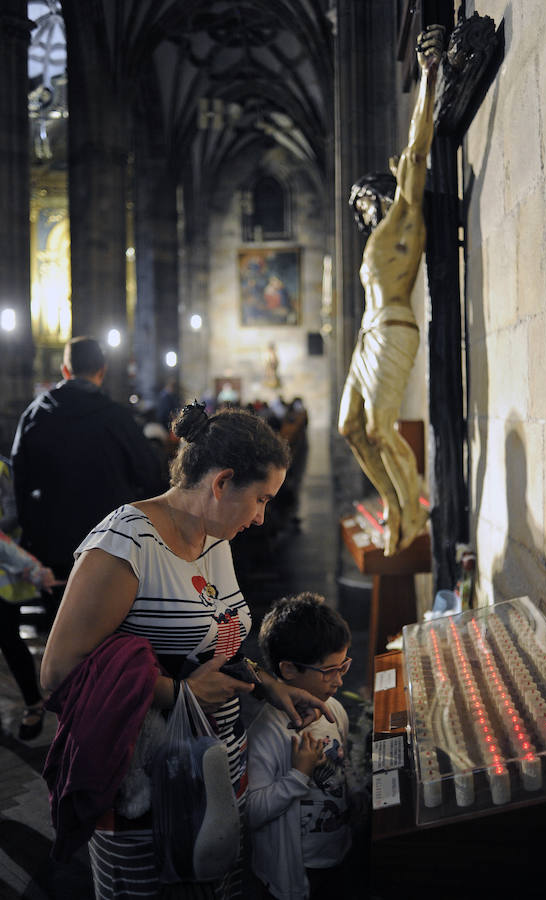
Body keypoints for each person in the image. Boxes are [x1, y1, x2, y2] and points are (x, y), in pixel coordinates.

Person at [40, 402, 333, 900]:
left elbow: (215, 638)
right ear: (221, 484)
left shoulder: (215, 536)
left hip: (218, 766)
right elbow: (58, 671)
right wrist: (176, 692)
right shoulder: (127, 541)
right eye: (260, 499)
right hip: (151, 782)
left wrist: (268, 684)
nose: (262, 518)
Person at [338, 25, 445, 557]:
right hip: (367, 334)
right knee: (351, 426)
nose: (360, 213)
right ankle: (393, 503)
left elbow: (418, 146)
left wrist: (427, 76)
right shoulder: (379, 238)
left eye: (363, 203)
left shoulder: (404, 212)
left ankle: (415, 507)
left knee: (381, 427)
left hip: (394, 327)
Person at [11, 336, 163, 597]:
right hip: (109, 545)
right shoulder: (118, 418)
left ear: (65, 370)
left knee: (57, 626)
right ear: (102, 371)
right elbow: (150, 475)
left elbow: (18, 479)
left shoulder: (35, 414)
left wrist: (30, 531)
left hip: (52, 543)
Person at [247, 592, 355, 900]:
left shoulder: (335, 711)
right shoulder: (268, 734)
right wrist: (298, 775)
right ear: (290, 670)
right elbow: (251, 811)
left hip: (337, 851)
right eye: (329, 671)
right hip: (295, 871)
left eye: (343, 667)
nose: (339, 682)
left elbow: (340, 768)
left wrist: (355, 794)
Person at [0, 455, 61, 739]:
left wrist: (35, 572)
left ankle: (33, 702)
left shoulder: (2, 469)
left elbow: (14, 516)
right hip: (11, 565)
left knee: (9, 640)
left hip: (5, 579)